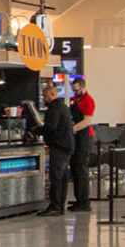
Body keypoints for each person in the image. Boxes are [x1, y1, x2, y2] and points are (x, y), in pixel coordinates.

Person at [31, 82, 75, 215]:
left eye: (45, 96)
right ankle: (60, 204)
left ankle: (55, 205)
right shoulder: (63, 107)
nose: (44, 99)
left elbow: (51, 127)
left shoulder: (54, 109)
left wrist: (36, 130)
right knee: (61, 177)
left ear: (52, 94)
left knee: (56, 176)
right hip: (67, 145)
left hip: (59, 146)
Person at [68, 76, 97, 211]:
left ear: (83, 87)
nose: (75, 93)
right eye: (74, 90)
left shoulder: (88, 101)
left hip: (84, 137)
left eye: (77, 90)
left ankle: (84, 201)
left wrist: (72, 129)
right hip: (76, 137)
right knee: (75, 167)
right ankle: (78, 198)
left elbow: (87, 121)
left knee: (81, 168)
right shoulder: (74, 100)